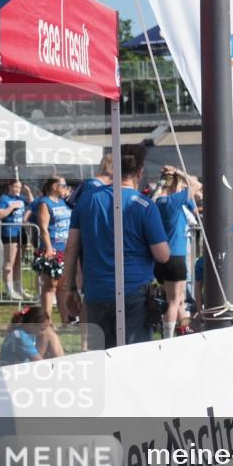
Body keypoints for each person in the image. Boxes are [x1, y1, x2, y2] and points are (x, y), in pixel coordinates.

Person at [62, 144, 170, 347]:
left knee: (102, 355)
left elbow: (71, 248)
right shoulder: (144, 205)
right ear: (139, 172)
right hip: (133, 292)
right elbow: (162, 255)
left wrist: (69, 289)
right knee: (134, 357)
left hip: (96, 292)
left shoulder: (87, 200)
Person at [153, 166, 201, 338]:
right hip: (175, 256)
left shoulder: (157, 201)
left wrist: (166, 179)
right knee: (174, 301)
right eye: (180, 186)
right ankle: (168, 338)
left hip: (162, 258)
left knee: (179, 300)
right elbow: (196, 185)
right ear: (174, 186)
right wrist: (178, 172)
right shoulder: (172, 201)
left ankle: (184, 332)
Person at [33, 177, 72, 324]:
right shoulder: (45, 203)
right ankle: (46, 321)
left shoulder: (64, 202)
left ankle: (66, 319)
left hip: (65, 249)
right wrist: (49, 248)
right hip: (52, 249)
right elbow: (43, 228)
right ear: (55, 186)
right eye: (63, 185)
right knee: (50, 286)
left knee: (63, 286)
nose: (66, 187)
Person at [0, 179, 34, 299]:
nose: (18, 189)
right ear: (10, 186)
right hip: (10, 232)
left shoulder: (21, 198)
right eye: (15, 187)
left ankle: (18, 289)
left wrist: (28, 192)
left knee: (18, 262)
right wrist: (11, 207)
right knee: (9, 262)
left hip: (21, 232)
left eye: (19, 187)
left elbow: (34, 205)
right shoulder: (4, 199)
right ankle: (9, 290)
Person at [0, 306, 64, 365]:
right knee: (49, 335)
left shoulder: (23, 330)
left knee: (49, 333)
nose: (43, 333)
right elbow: (40, 364)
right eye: (42, 329)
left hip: (20, 368)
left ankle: (61, 365)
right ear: (31, 324)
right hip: (15, 372)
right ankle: (61, 366)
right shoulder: (22, 337)